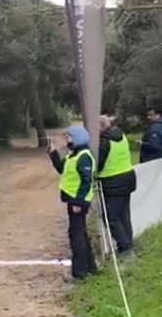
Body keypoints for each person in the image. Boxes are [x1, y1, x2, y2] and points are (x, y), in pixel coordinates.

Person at [47, 125, 97, 282]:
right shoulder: (73, 155)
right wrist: (53, 153)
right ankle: (90, 267)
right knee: (81, 234)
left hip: (78, 202)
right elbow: (62, 169)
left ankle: (79, 273)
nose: (66, 140)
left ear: (77, 138)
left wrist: (78, 202)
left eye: (68, 137)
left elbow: (86, 181)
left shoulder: (83, 157)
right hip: (73, 200)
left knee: (76, 237)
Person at [98, 116, 136, 258]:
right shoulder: (121, 136)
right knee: (124, 215)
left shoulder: (104, 142)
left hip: (113, 183)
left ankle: (125, 247)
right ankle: (128, 243)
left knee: (110, 217)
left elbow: (98, 165)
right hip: (127, 179)